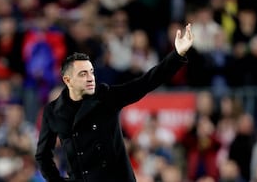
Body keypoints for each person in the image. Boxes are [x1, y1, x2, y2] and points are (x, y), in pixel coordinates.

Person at [35, 24, 194, 182]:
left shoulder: (105, 97)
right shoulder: (53, 111)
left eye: (91, 72)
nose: (90, 78)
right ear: (67, 80)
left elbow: (145, 83)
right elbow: (43, 156)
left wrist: (177, 55)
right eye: (83, 74)